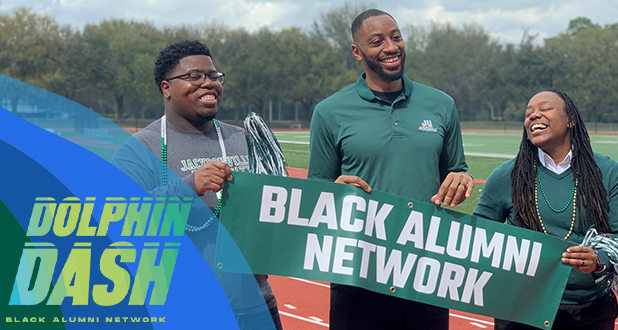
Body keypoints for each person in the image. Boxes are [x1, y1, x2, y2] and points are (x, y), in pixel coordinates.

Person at [307, 9, 474, 330]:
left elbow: (457, 169)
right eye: (376, 41)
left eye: (395, 36)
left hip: (426, 269)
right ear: (357, 52)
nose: (391, 46)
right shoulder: (329, 111)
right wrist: (335, 192)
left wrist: (462, 179)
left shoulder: (441, 104)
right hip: (359, 270)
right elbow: (317, 194)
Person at [111, 40, 282, 330]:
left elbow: (278, 207)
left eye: (214, 76)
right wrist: (189, 186)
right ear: (166, 88)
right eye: (195, 77)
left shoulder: (242, 139)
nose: (209, 83)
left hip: (257, 309)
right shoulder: (140, 148)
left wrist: (330, 194)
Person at [473, 89, 618, 329]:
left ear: (570, 119)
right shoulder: (505, 176)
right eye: (528, 113)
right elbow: (477, 238)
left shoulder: (609, 172)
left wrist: (598, 259)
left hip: (589, 311)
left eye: (544, 109)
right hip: (521, 310)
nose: (533, 116)